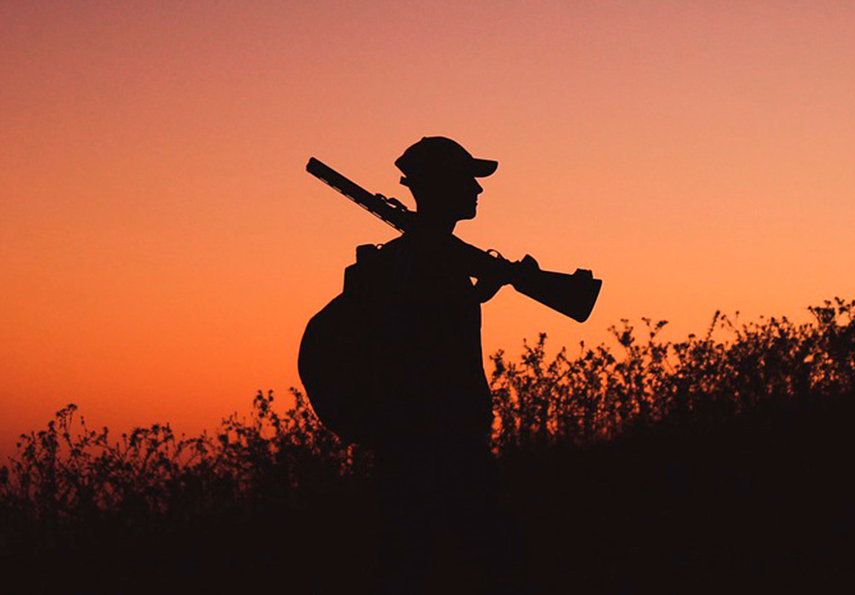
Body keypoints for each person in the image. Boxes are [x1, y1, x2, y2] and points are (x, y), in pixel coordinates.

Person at [364, 137, 521, 594]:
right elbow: (422, 348)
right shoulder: (423, 259)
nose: (478, 190)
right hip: (438, 444)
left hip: (434, 442)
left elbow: (430, 327)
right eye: (467, 179)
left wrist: (479, 291)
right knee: (480, 561)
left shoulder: (426, 258)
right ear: (443, 186)